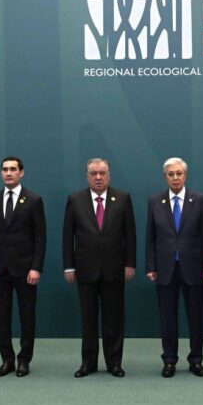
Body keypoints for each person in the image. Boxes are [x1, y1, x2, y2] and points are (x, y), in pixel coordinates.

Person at [63, 158, 136, 378]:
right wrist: (69, 266)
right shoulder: (75, 200)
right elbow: (67, 235)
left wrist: (130, 263)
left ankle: (114, 363)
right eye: (93, 173)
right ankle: (88, 363)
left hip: (115, 269)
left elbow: (130, 234)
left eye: (102, 173)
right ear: (87, 176)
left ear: (109, 175)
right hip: (85, 269)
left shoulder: (122, 198)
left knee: (114, 318)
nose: (98, 177)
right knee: (88, 319)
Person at [146, 158, 203, 377]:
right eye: (171, 174)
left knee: (196, 317)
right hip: (165, 269)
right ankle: (169, 360)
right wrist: (150, 265)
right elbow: (151, 237)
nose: (175, 178)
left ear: (185, 175)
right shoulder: (155, 201)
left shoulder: (200, 199)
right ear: (165, 177)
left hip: (194, 268)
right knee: (167, 318)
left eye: (179, 173)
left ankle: (196, 360)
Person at [0, 156, 46, 377]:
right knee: (2, 317)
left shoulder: (34, 200)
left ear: (21, 172)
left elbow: (40, 237)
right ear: (1, 173)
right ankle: (6, 360)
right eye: (5, 169)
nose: (8, 173)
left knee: (27, 317)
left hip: (26, 270)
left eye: (13, 169)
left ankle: (24, 360)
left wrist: (36, 267)